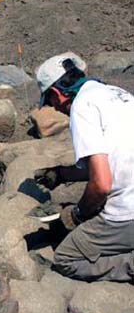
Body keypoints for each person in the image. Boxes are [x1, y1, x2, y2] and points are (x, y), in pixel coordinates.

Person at [34, 51, 134, 282]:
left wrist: (77, 215)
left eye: (50, 102)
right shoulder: (118, 94)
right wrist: (60, 173)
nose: (55, 109)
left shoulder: (81, 106)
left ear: (57, 94)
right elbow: (110, 163)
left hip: (128, 212)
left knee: (66, 259)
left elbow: (101, 184)